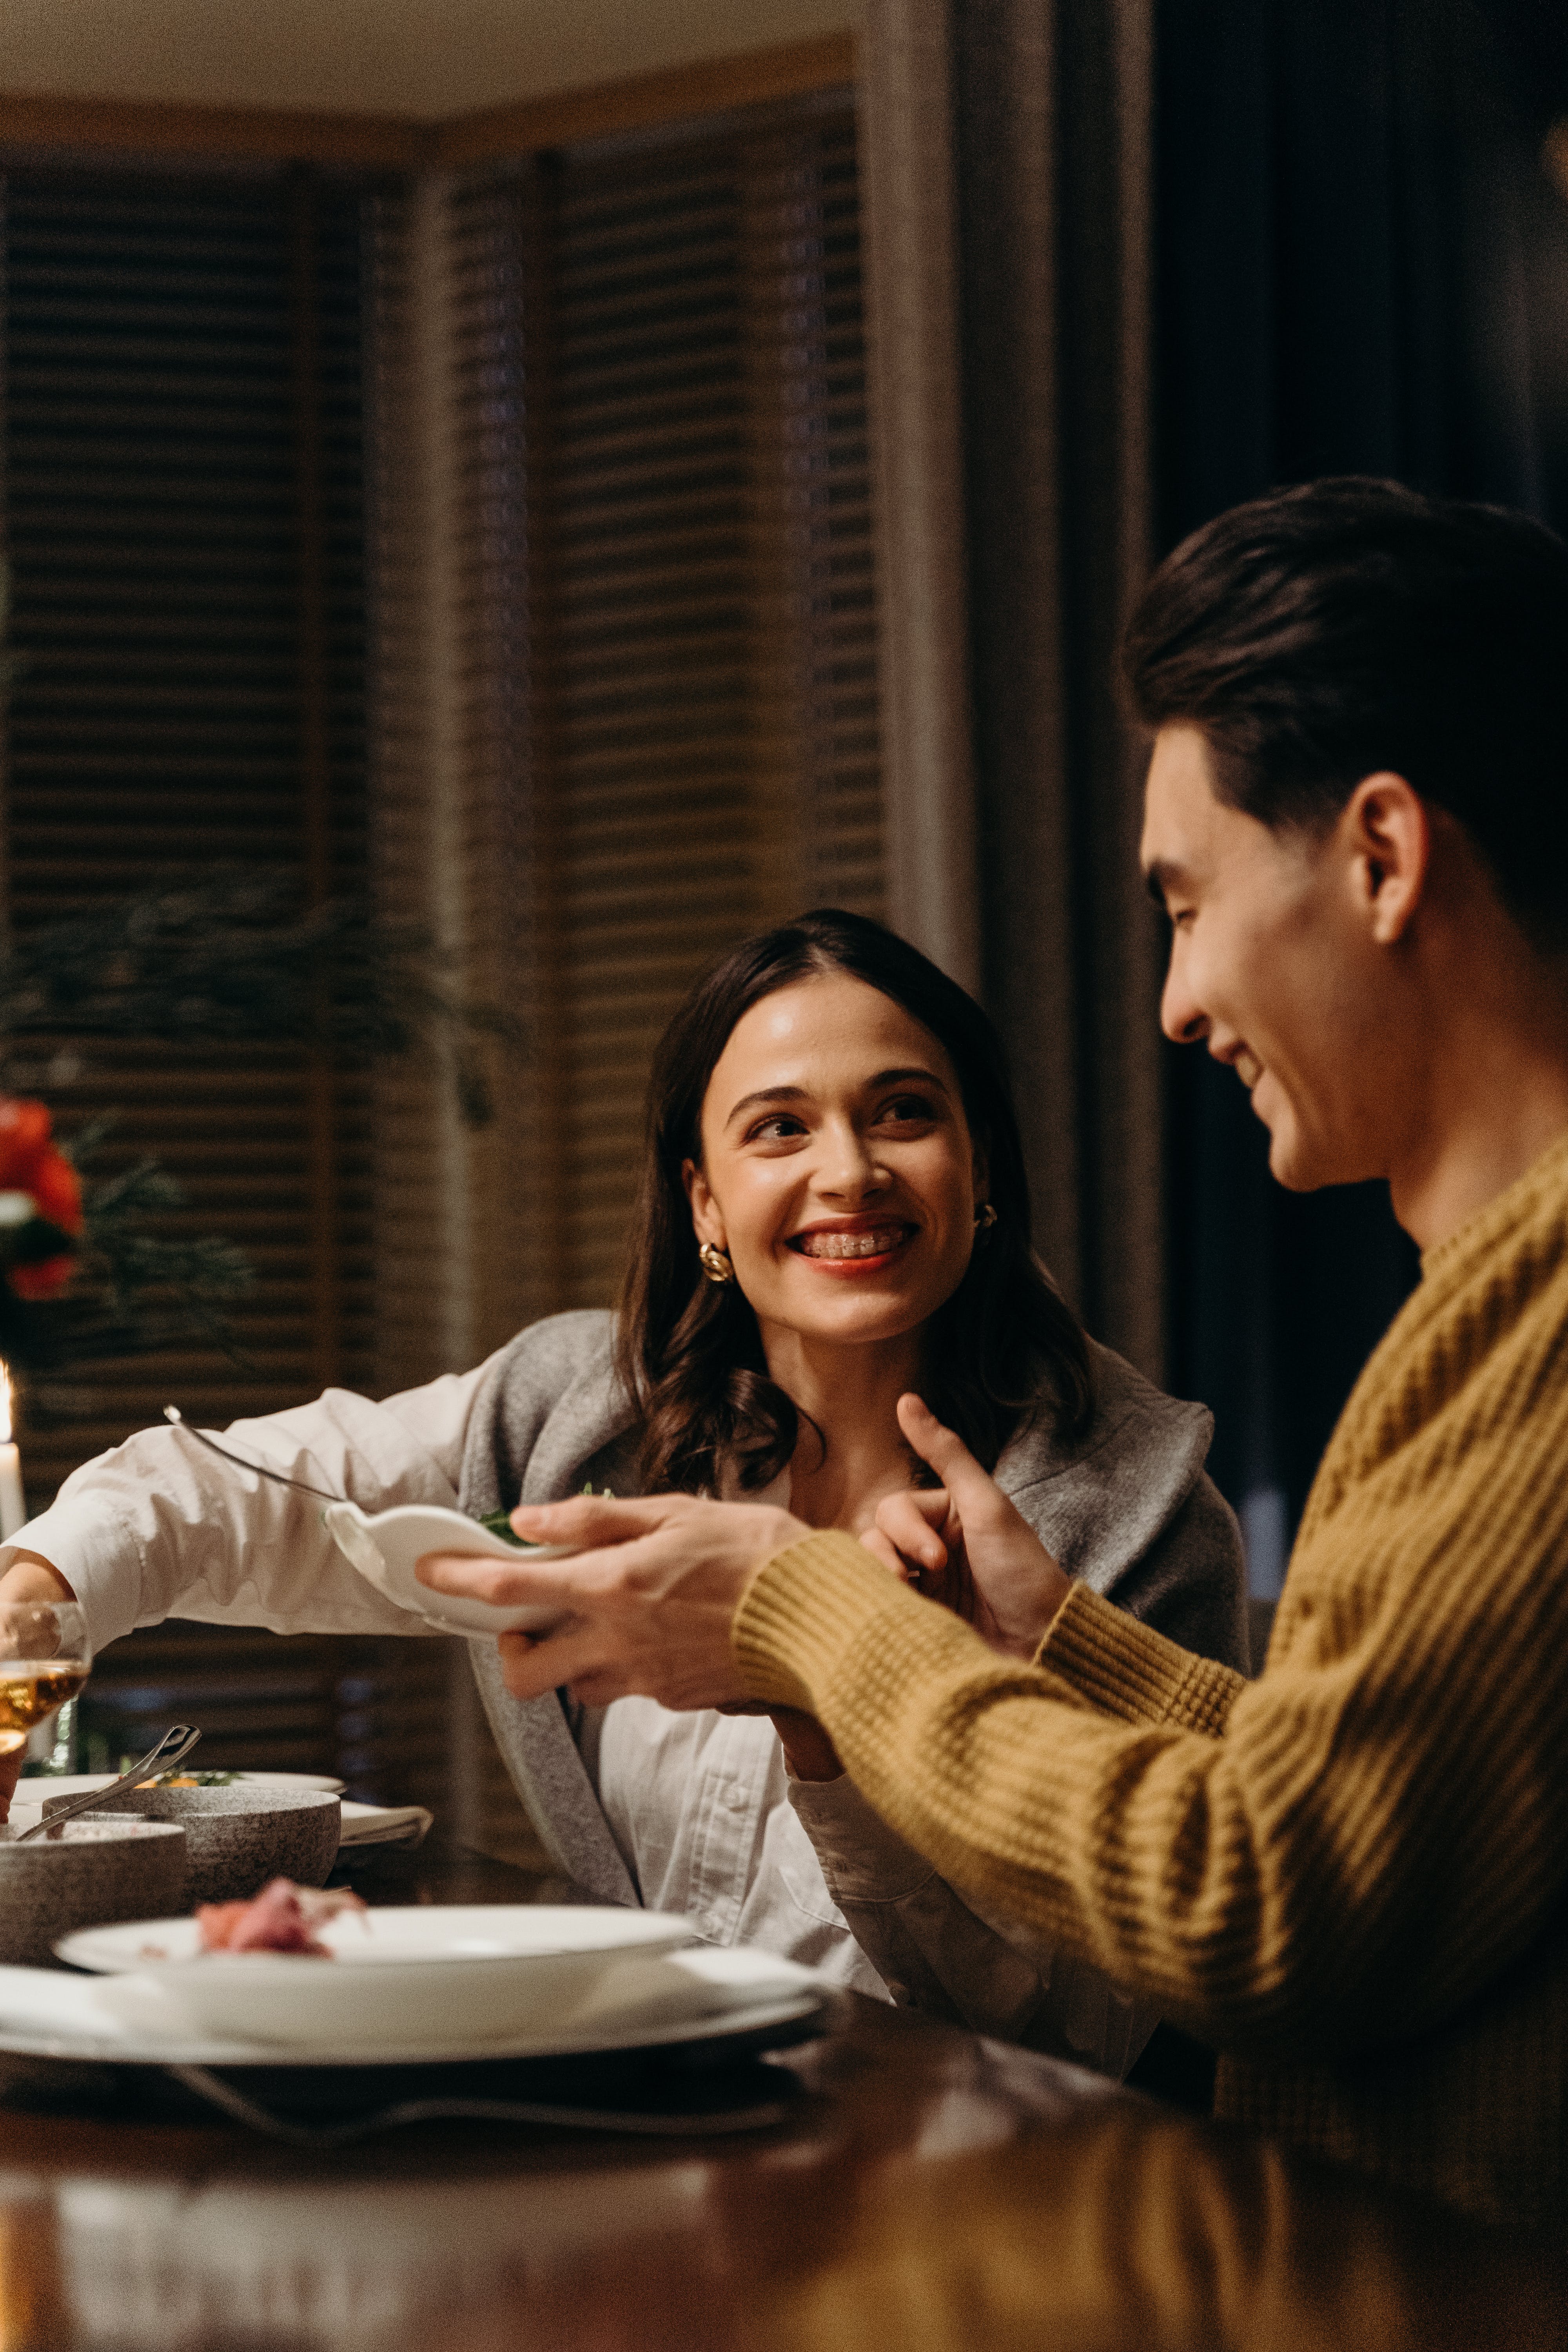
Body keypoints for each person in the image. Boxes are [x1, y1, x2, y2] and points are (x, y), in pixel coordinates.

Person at [409, 480, 1568, 2231]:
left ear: (1383, 858)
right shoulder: (1487, 1308)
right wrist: (1066, 1647)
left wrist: (809, 1615)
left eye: (1186, 902)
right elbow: (1365, 1828)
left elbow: (1263, 1919)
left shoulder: (1525, 1327)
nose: (1176, 1003)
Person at [0, 911, 1244, 2075]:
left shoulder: (1130, 1521)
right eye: (778, 1128)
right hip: (651, 2132)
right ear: (705, 1200)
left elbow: (1071, 2037)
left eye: (904, 1112)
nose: (850, 1171)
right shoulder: (587, 1425)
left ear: (981, 1167)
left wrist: (825, 1717)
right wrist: (36, 1599)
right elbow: (262, 1493)